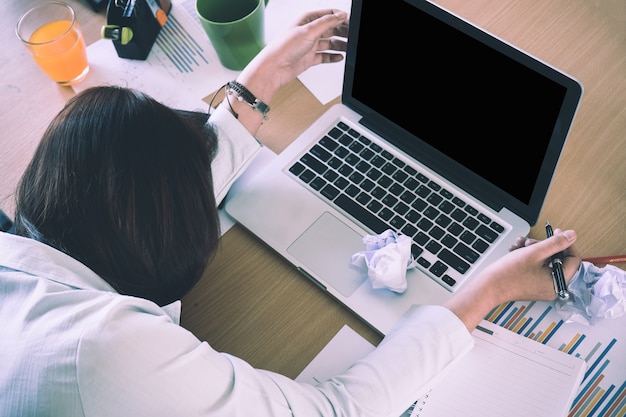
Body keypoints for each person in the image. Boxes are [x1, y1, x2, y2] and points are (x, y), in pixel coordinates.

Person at [0, 8, 582, 417]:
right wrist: (486, 289)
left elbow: (142, 195)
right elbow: (338, 408)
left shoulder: (38, 242)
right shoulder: (106, 355)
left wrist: (262, 80)